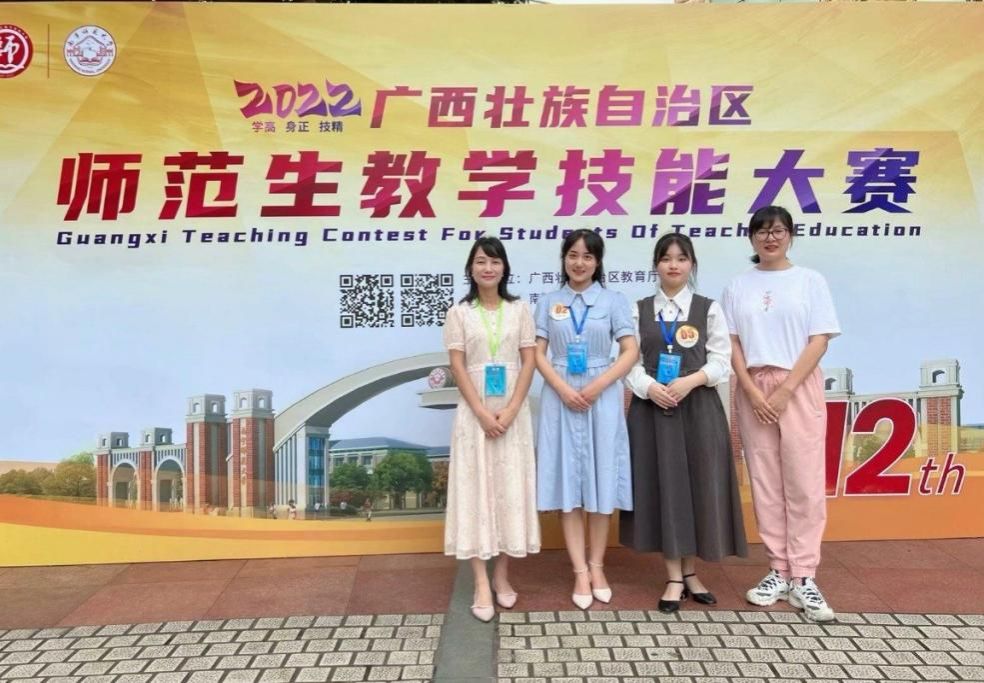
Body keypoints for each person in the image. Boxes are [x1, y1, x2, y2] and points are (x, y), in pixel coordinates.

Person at [722, 205, 841, 622]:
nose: (770, 238)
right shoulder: (738, 285)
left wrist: (787, 389)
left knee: (804, 481)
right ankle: (778, 570)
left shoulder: (810, 281)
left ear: (790, 235)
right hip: (753, 386)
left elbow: (820, 339)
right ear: (751, 237)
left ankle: (804, 575)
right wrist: (751, 390)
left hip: (798, 384)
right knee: (766, 481)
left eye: (777, 231)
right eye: (762, 231)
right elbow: (732, 343)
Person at [620, 234, 747, 613]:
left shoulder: (709, 309)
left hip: (698, 410)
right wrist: (649, 387)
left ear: (692, 264)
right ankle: (674, 576)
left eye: (681, 258)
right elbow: (628, 361)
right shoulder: (639, 310)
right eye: (666, 258)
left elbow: (722, 361)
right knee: (665, 489)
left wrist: (690, 381)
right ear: (656, 265)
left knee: (698, 489)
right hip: (652, 411)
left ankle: (691, 573)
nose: (673, 265)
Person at [535, 229, 639, 610]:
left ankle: (597, 567)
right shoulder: (548, 302)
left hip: (602, 394)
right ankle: (579, 571)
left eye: (587, 256)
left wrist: (597, 386)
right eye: (573, 255)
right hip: (559, 396)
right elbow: (538, 353)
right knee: (568, 485)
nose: (579, 263)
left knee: (601, 482)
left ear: (597, 262)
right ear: (564, 258)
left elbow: (630, 350)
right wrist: (562, 388)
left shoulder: (613, 300)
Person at [443, 236, 540, 622]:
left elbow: (529, 361)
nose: (488, 268)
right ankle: (481, 582)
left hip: (513, 413)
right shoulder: (459, 312)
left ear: (504, 268)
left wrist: (512, 408)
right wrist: (482, 412)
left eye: (495, 261)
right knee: (475, 490)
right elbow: (457, 365)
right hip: (475, 414)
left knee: (508, 489)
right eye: (481, 261)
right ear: (471, 268)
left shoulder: (520, 310)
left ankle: (502, 575)